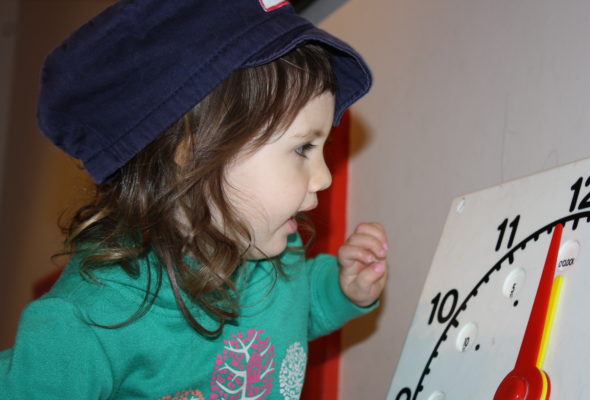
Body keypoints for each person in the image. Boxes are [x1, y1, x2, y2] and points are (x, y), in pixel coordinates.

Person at [0, 0, 388, 398]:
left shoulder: (272, 251)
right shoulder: (86, 322)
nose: (323, 178)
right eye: (303, 148)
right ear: (190, 155)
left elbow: (294, 308)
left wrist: (342, 290)